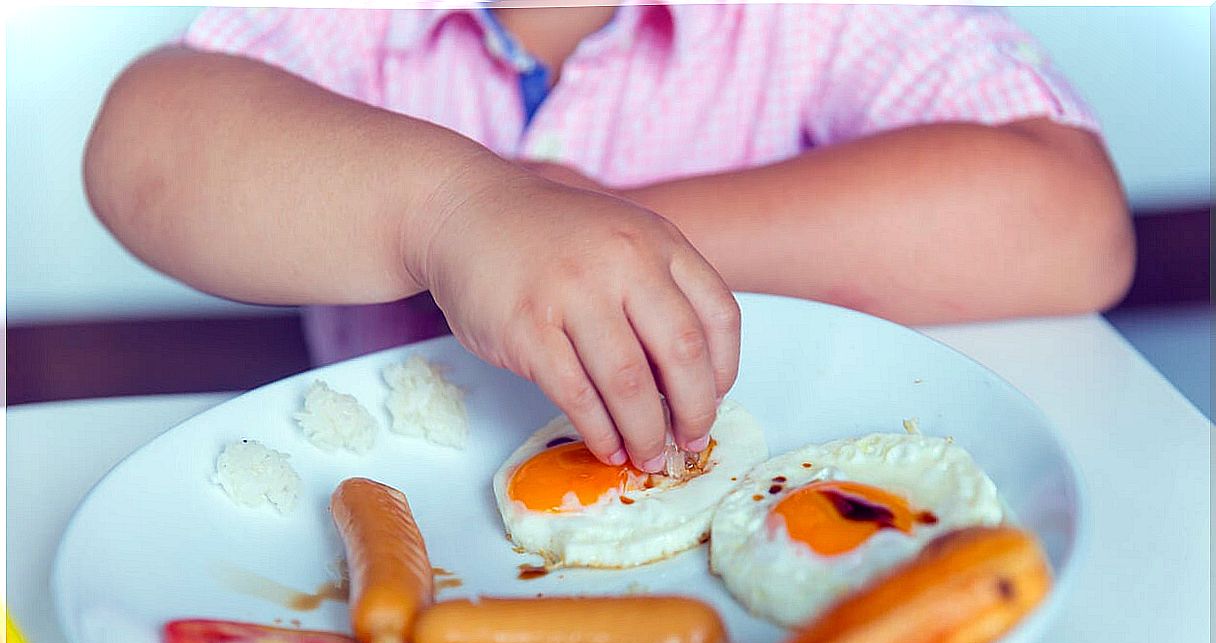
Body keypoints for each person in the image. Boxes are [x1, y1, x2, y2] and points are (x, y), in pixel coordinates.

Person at [83, 3, 1134, 474]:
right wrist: (452, 212)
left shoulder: (808, 18)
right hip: (414, 561)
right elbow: (143, 148)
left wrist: (601, 237)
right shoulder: (352, 18)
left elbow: (1069, 221)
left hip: (748, 525)